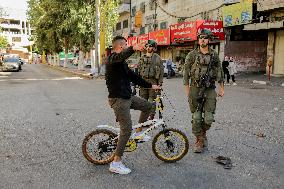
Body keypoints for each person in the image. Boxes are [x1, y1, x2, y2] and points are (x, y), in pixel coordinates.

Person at [105, 36, 161, 174]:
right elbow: (122, 55)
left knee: (149, 106)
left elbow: (133, 77)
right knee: (126, 130)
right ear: (119, 47)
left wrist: (151, 85)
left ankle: (139, 133)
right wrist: (133, 48)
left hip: (127, 97)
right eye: (125, 44)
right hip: (119, 100)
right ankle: (116, 163)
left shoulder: (122, 63)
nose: (127, 46)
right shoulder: (112, 59)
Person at [183, 29, 224, 153]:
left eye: (205, 38)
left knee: (208, 118)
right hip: (195, 88)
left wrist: (222, 87)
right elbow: (186, 73)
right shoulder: (192, 55)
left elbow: (219, 71)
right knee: (196, 117)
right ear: (198, 40)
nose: (202, 40)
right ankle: (199, 140)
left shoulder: (214, 55)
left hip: (210, 89)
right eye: (200, 38)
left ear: (209, 40)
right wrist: (187, 90)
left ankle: (203, 132)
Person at [138, 40, 163, 122]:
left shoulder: (157, 58)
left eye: (150, 46)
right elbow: (138, 70)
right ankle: (143, 117)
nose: (148, 48)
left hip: (153, 81)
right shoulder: (142, 58)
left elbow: (161, 72)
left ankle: (151, 116)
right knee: (143, 100)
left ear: (154, 48)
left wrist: (159, 83)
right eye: (147, 46)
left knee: (152, 100)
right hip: (143, 81)